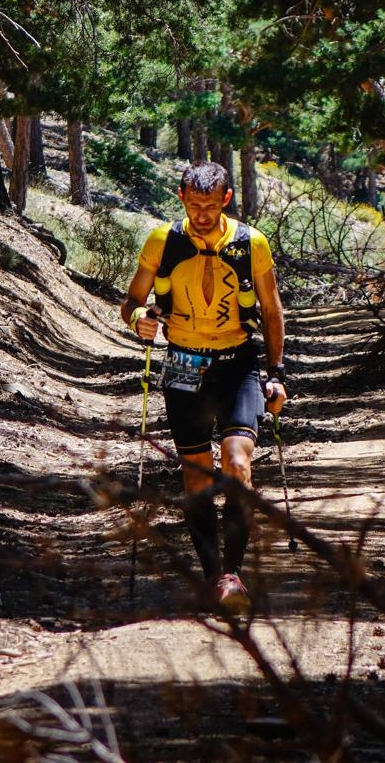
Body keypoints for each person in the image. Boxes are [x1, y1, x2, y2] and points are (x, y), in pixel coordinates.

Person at [120, 161, 287, 613]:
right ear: (181, 198)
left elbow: (272, 312)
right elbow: (131, 301)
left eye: (210, 206)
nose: (202, 215)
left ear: (226, 200)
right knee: (195, 474)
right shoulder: (163, 240)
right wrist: (140, 319)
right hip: (182, 364)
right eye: (195, 206)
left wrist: (276, 373)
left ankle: (232, 572)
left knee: (236, 464)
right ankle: (213, 574)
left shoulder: (252, 243)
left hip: (238, 365)